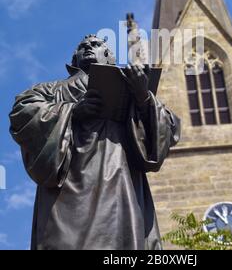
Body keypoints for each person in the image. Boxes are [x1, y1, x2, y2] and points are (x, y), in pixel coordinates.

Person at [9, 34, 181, 250]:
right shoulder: (51, 90)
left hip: (118, 183)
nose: (89, 47)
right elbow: (22, 112)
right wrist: (72, 111)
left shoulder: (130, 87)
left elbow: (170, 128)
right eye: (83, 46)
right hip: (67, 193)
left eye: (97, 45)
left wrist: (143, 97)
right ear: (74, 60)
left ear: (109, 57)